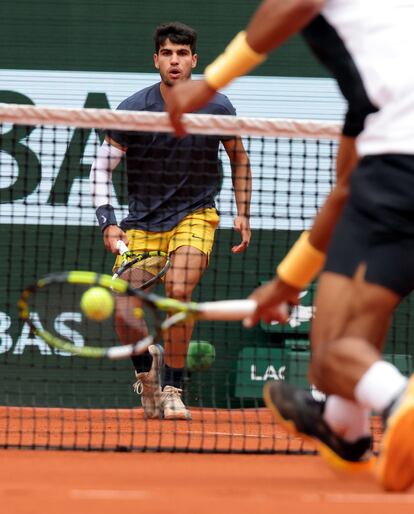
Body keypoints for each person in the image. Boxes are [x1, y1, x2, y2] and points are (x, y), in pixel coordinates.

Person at [165, 0, 414, 491]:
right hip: (387, 172)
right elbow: (345, 193)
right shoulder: (380, 73)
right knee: (344, 345)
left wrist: (207, 85)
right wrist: (287, 283)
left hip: (398, 167)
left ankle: (398, 399)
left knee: (336, 353)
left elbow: (293, 3)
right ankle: (347, 429)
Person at [89, 22, 252, 421]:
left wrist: (243, 211)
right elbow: (100, 171)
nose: (174, 61)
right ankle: (147, 375)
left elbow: (238, 159)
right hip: (143, 224)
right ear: (156, 60)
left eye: (182, 54)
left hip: (196, 214)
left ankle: (173, 388)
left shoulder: (216, 106)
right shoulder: (133, 109)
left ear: (194, 60)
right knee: (124, 313)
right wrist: (108, 222)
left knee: (179, 291)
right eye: (167, 53)